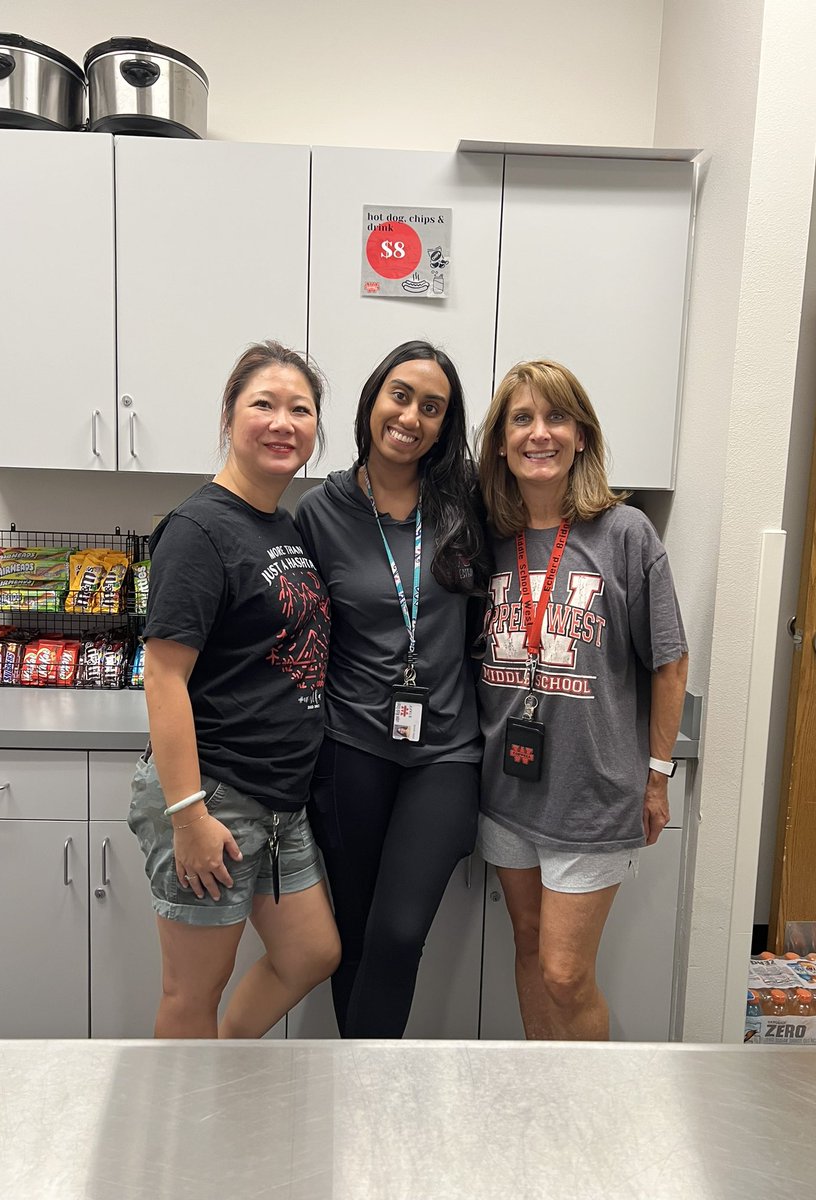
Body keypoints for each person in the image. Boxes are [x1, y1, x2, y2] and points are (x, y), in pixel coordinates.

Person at [128, 341, 340, 1039]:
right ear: (229, 417)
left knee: (312, 953)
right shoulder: (198, 529)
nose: (284, 422)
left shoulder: (281, 524)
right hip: (215, 793)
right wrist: (188, 817)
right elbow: (163, 677)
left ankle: (218, 1068)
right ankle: (182, 1141)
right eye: (264, 405)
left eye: (300, 409)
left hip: (278, 801)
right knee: (192, 992)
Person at [476, 359, 688, 1041]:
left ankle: (597, 1117)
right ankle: (547, 1104)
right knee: (530, 950)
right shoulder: (486, 540)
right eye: (522, 419)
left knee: (567, 972)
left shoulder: (626, 534)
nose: (540, 433)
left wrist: (656, 777)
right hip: (504, 789)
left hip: (592, 791)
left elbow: (670, 660)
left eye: (556, 417)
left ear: (582, 436)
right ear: (501, 442)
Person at [294, 340, 491, 1038]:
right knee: (352, 932)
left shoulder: (465, 505)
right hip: (351, 748)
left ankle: (366, 1093)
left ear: (445, 425)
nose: (411, 416)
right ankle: (366, 1100)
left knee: (400, 931)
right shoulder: (319, 514)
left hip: (445, 754)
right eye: (400, 395)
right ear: (373, 401)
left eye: (432, 407)